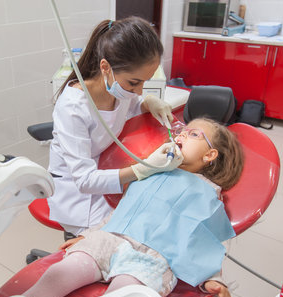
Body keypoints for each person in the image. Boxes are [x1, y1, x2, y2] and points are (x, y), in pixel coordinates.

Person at [24, 117, 245, 297]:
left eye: (193, 134)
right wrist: (89, 235)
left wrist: (215, 278)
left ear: (209, 155)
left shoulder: (207, 192)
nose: (181, 136)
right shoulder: (154, 169)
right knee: (57, 275)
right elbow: (124, 211)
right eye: (182, 132)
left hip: (152, 256)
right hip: (110, 239)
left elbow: (207, 240)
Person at [48, 16, 182, 236]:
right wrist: (143, 169)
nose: (139, 90)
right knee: (124, 238)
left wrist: (148, 103)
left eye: (144, 82)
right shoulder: (73, 107)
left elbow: (132, 104)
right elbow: (85, 180)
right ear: (105, 67)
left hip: (107, 168)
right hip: (78, 194)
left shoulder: (118, 89)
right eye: (134, 82)